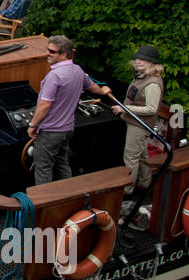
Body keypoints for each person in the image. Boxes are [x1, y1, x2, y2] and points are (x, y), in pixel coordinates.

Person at [27, 35, 112, 185]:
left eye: (52, 52)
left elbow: (45, 105)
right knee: (62, 164)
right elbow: (91, 86)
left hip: (50, 131)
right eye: (47, 50)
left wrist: (33, 125)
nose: (47, 53)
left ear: (64, 54)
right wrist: (103, 91)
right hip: (66, 130)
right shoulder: (77, 70)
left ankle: (44, 204)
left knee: (43, 169)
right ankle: (68, 197)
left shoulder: (54, 76)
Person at [111, 45, 165, 203]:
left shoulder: (153, 83)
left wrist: (124, 108)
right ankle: (145, 183)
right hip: (133, 121)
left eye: (144, 59)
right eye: (138, 58)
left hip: (140, 125)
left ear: (152, 63)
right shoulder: (143, 76)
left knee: (131, 157)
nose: (139, 61)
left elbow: (152, 108)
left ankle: (127, 191)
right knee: (142, 155)